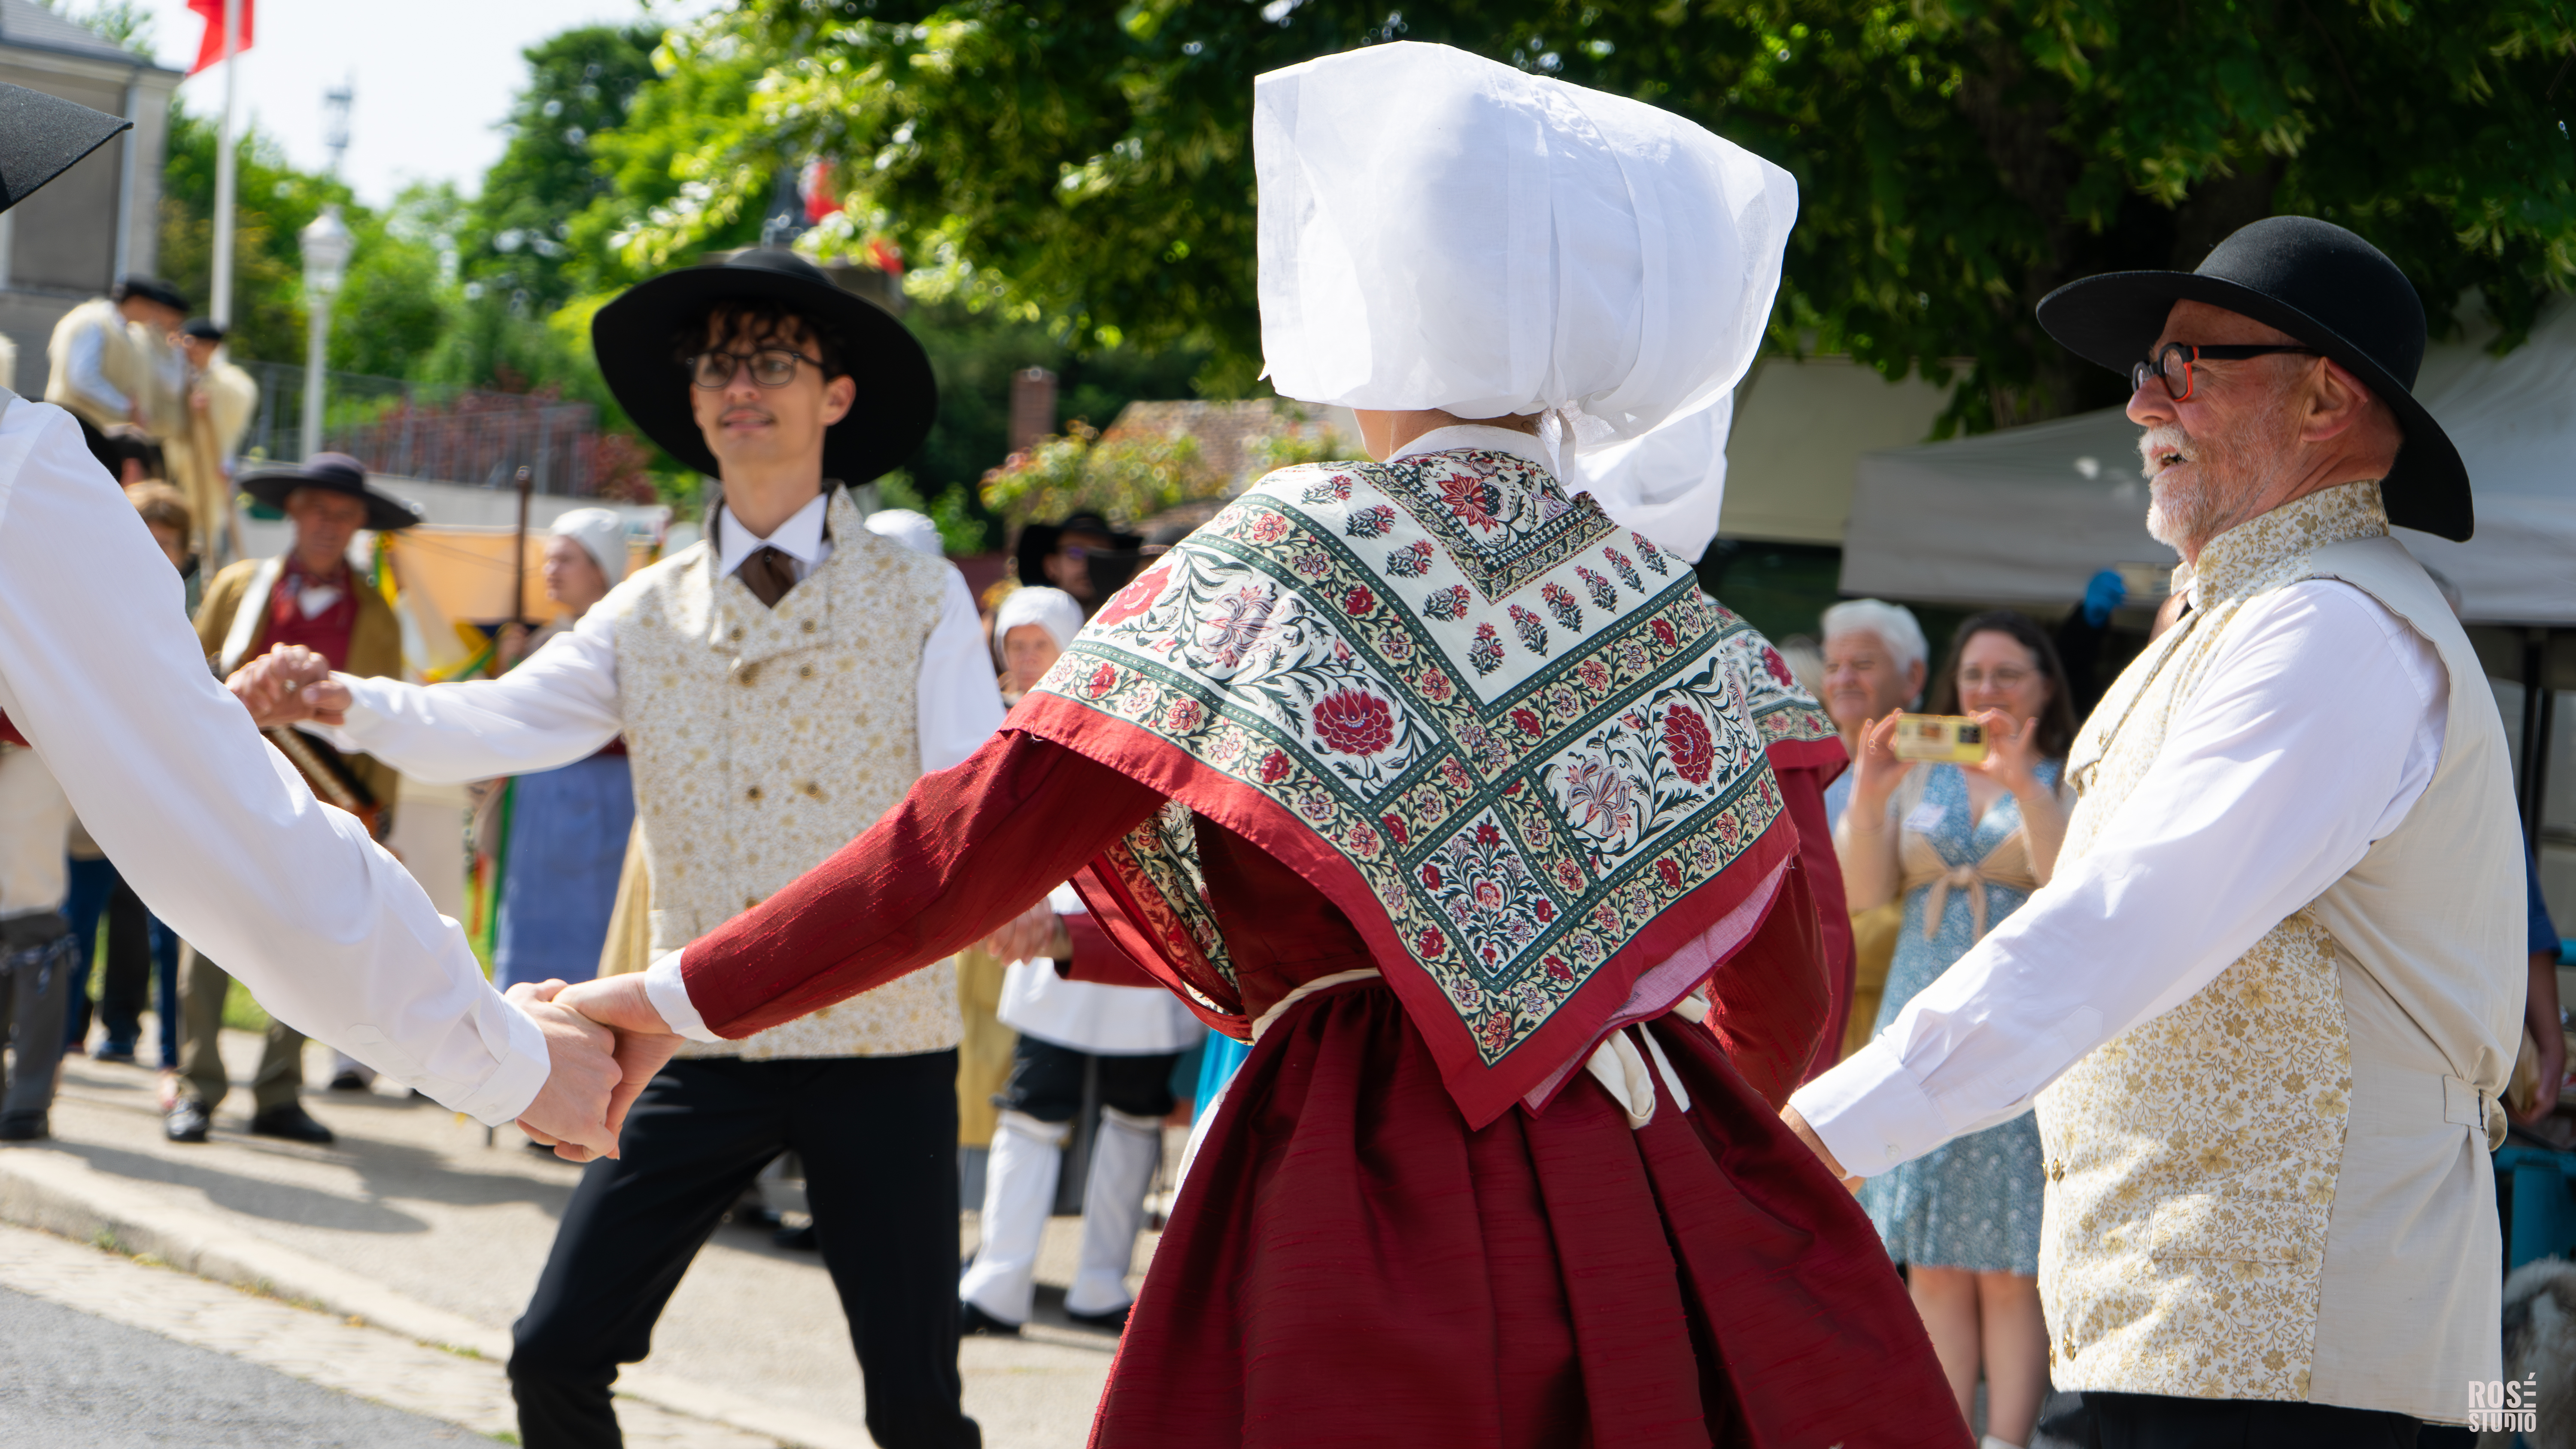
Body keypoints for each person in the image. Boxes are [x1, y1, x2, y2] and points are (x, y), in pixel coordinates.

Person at [480, 42, 1959, 1445]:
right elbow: (1794, 991)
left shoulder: (1289, 554)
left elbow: (968, 843)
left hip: (1359, 1161)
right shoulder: (1676, 623)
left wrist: (675, 993)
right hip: (1630, 1164)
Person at [1783, 215, 2522, 1444]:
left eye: (2182, 368)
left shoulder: (2330, 628)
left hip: (2291, 1358)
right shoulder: (2256, 616)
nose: (2140, 409)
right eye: (2142, 373)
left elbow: (2118, 924)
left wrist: (1828, 1132)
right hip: (2209, 1336)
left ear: (2326, 400)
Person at [246, 248, 996, 1449]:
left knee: (916, 1409)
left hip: (880, 1039)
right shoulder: (645, 608)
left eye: (769, 360)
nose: (735, 385)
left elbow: (972, 791)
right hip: (694, 1025)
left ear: (837, 394)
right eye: (715, 365)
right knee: (553, 1354)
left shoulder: (923, 596)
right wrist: (344, 700)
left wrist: (1032, 899)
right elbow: (494, 722)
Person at [0, 80, 623, 1161]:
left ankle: (263, 1084)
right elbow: (213, 808)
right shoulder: (22, 477)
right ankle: (196, 1078)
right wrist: (502, 1056)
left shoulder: (372, 611)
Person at [1835, 610, 2076, 1449]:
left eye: (2007, 674)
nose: (1985, 689)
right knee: (1933, 1253)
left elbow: (2070, 882)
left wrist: (2023, 784)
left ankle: (2009, 1440)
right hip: (1923, 1020)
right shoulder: (1919, 775)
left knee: (2011, 1263)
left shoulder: (2063, 773)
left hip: (2017, 1020)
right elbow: (1863, 893)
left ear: (2044, 686)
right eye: (1974, 674)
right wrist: (1868, 790)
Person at [960, 586, 1205, 1337]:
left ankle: (1101, 1281)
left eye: (1038, 642)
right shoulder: (996, 717)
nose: (1024, 657)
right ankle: (999, 1279)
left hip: (1132, 934)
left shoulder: (1126, 708)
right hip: (1050, 940)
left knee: (1132, 1118)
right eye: (1015, 643)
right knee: (1033, 1112)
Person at [171, 453, 422, 1146]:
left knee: (310, 948)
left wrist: (383, 815)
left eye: (342, 515)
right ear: (293, 513)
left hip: (327, 804)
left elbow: (388, 720)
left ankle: (279, 1090)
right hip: (232, 790)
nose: (327, 525)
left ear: (360, 525)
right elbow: (187, 675)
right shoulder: (238, 588)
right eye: (316, 509)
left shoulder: (378, 615)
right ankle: (198, 1087)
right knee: (209, 941)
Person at [61, 482, 200, 1071]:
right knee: (73, 925)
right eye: (146, 536)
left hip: (162, 797)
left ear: (184, 552)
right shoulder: (81, 606)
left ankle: (175, 1052)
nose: (156, 550)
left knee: (175, 930)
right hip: (90, 794)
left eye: (168, 542)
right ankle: (59, 1040)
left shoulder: (189, 621)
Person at [483, 508, 636, 996]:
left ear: (600, 570)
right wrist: (511, 669)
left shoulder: (629, 637)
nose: (551, 570)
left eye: (566, 559)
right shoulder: (545, 640)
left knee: (598, 921)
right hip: (541, 799)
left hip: (608, 800)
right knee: (532, 922)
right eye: (549, 559)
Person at [1819, 597, 1930, 1061]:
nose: (1844, 678)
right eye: (1833, 665)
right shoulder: (1801, 768)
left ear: (1914, 678)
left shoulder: (1935, 773)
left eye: (1863, 664)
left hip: (1897, 1007)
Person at [164, 318, 258, 568]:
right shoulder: (169, 370)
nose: (193, 350)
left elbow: (227, 429)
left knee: (201, 534)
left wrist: (209, 408)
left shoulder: (228, 384)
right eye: (190, 342)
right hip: (168, 463)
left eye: (201, 345)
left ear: (213, 348)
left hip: (204, 470)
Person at [45, 275, 186, 435]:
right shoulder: (92, 323)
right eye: (152, 307)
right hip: (75, 429)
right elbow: (83, 377)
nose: (154, 315)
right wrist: (126, 406)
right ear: (136, 302)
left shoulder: (127, 332)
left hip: (95, 430)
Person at [1013, 511, 1141, 614]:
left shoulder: (1136, 623)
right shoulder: (1028, 626)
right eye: (1075, 553)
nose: (1088, 563)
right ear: (1052, 566)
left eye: (1101, 553)